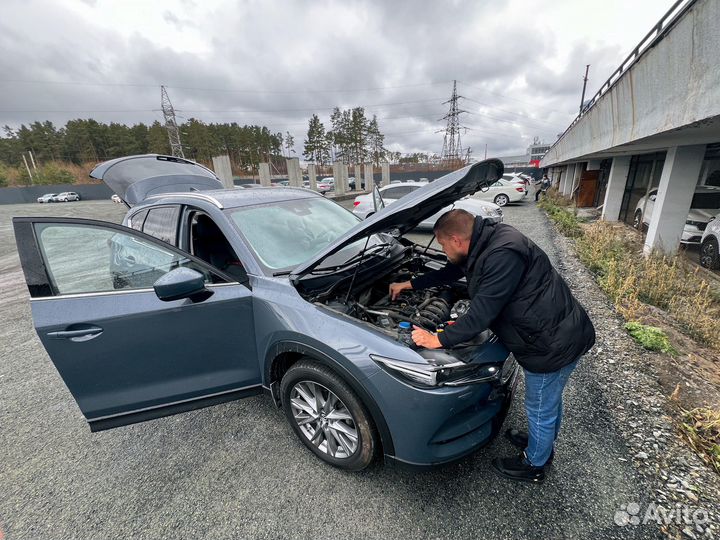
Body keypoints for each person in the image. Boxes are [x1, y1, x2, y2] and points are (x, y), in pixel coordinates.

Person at [388, 209, 595, 483]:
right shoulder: (487, 241)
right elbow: (451, 271)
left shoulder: (501, 254)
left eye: (442, 244)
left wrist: (436, 339)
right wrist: (410, 284)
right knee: (548, 401)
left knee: (541, 405)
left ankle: (534, 464)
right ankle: (540, 444)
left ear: (457, 240)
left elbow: (481, 314)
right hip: (557, 331)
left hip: (552, 343)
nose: (443, 249)